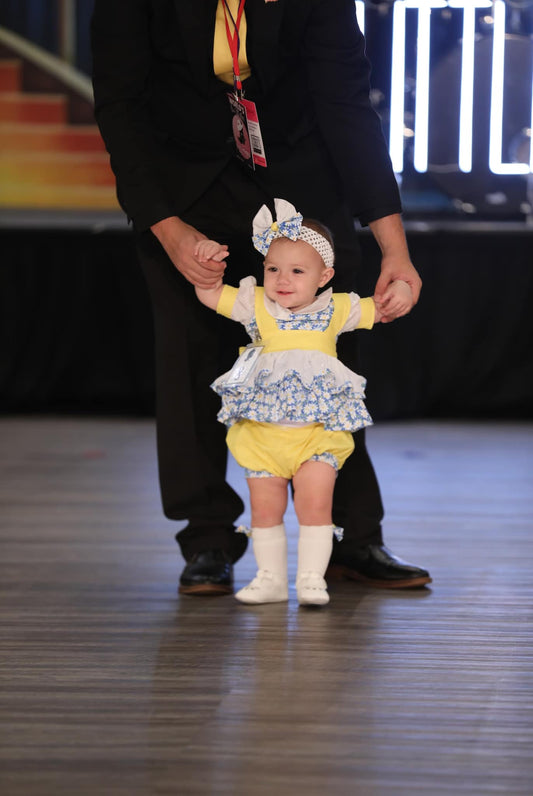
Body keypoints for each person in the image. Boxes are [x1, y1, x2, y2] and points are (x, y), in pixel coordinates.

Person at [91, 0, 431, 596]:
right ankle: (207, 539)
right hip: (183, 189)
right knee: (191, 360)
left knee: (328, 361)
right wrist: (166, 227)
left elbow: (347, 104)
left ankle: (354, 538)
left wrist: (394, 249)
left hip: (300, 175)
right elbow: (120, 104)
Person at [194, 199, 413, 606]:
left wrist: (399, 292)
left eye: (297, 271)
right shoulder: (254, 303)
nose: (282, 279)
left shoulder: (336, 308)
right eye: (273, 268)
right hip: (263, 437)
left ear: (324, 275)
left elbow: (382, 311)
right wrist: (207, 265)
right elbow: (208, 293)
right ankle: (270, 578)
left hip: (316, 437)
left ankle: (312, 578)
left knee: (316, 507)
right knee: (265, 509)